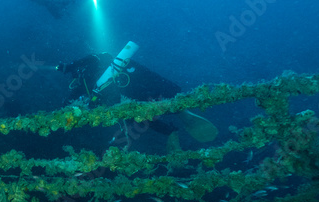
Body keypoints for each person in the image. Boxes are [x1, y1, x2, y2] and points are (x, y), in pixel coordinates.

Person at [55, 53, 218, 145]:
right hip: (126, 89)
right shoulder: (86, 82)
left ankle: (172, 126)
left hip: (125, 88)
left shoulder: (89, 70)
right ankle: (177, 118)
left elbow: (94, 58)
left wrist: (70, 65)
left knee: (139, 113)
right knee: (140, 111)